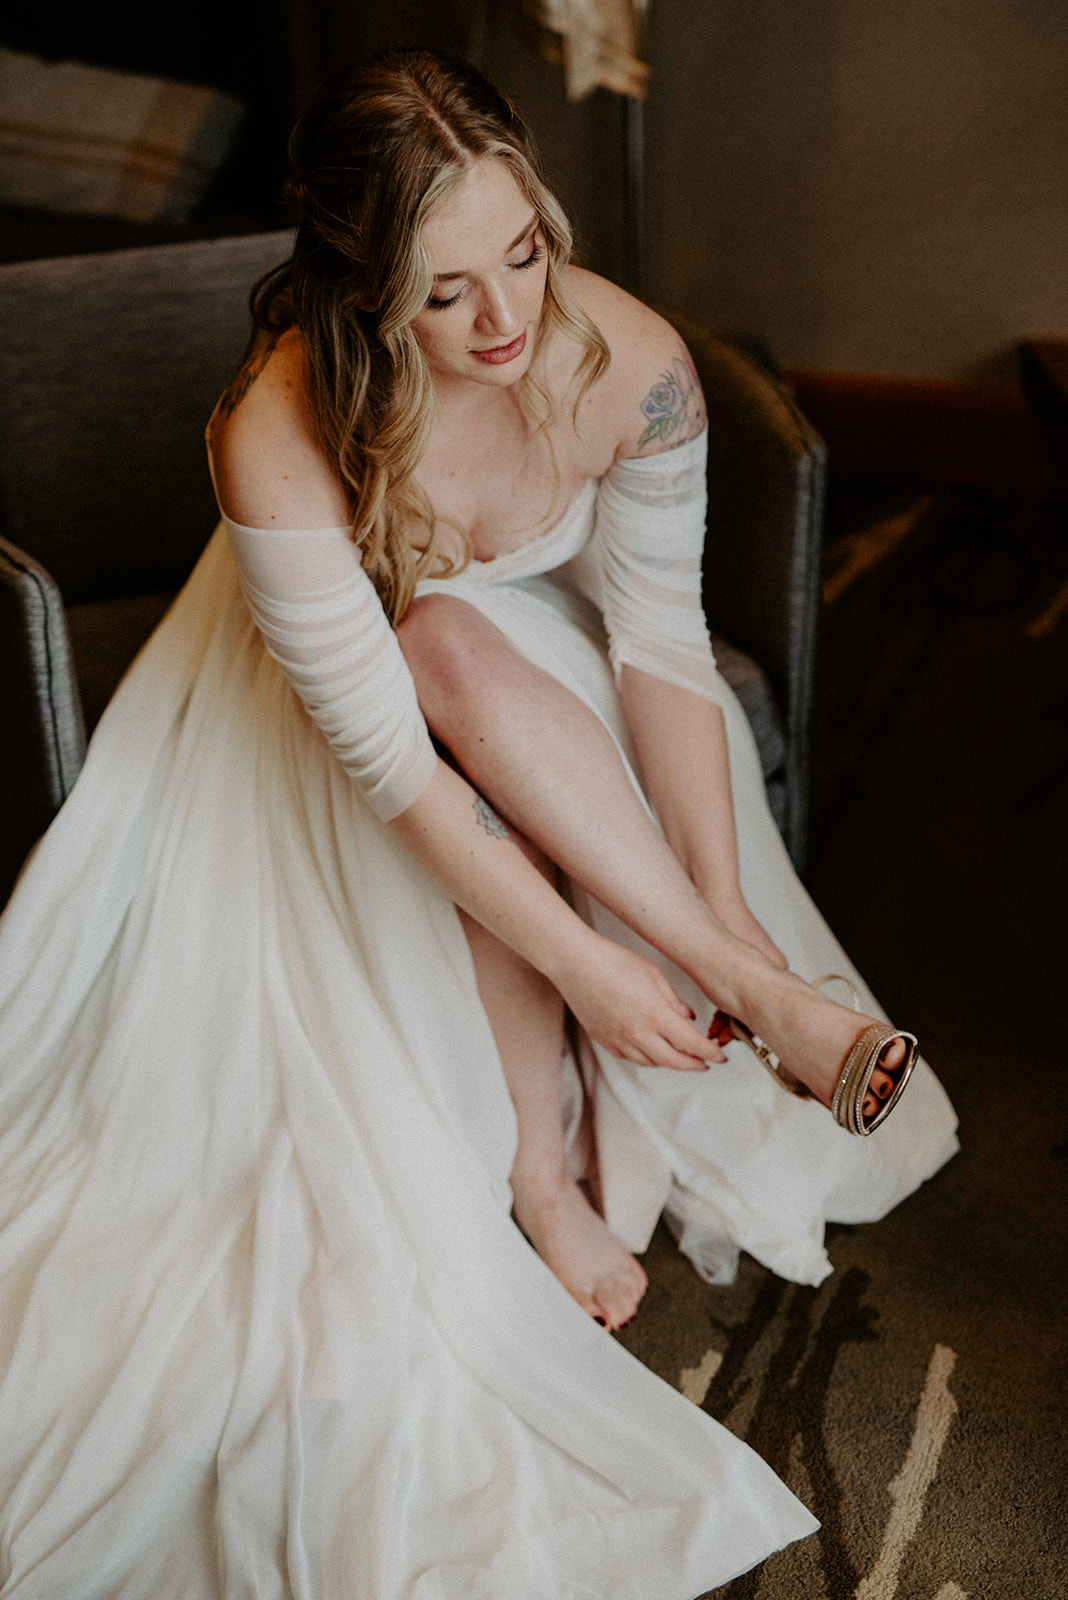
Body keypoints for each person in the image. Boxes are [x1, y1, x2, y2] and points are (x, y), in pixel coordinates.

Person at [0, 47, 957, 1599]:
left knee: (485, 657)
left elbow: (657, 653)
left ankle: (743, 975)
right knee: (438, 652)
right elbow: (404, 778)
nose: (509, 320)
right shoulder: (280, 429)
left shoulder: (629, 365)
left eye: (524, 252)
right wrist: (587, 966)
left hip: (558, 687)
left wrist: (708, 911)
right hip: (341, 725)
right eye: (447, 294)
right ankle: (535, 1173)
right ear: (365, 292)